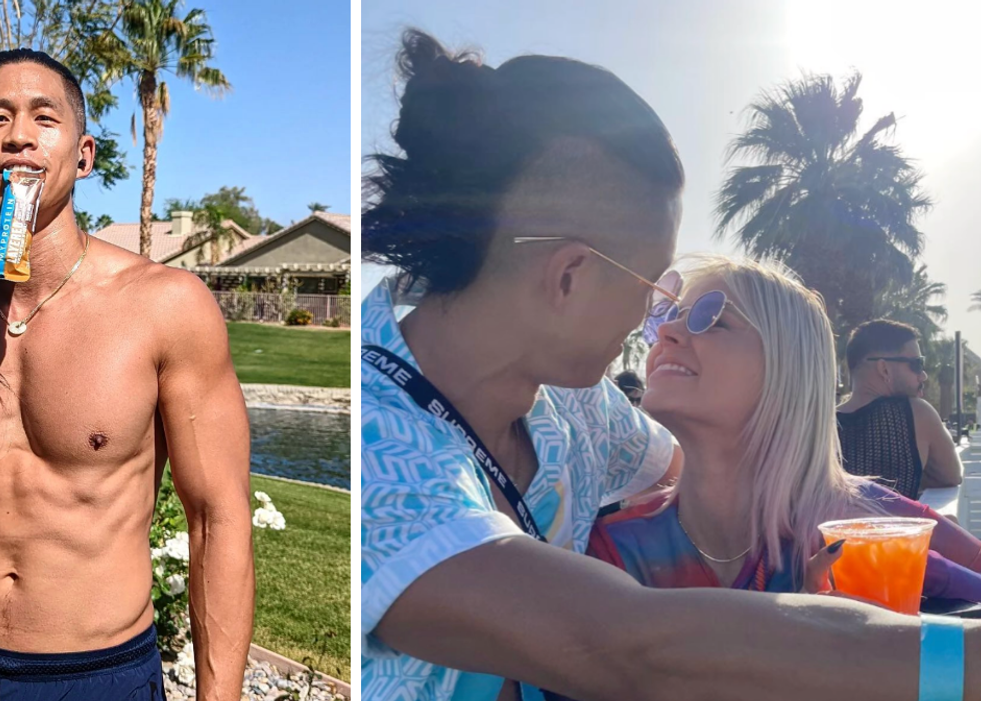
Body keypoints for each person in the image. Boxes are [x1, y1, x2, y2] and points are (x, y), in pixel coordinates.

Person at [360, 29, 981, 701]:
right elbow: (631, 648)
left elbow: (717, 470)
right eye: (656, 289)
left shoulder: (575, 406)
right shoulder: (377, 446)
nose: (658, 324)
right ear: (569, 277)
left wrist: (820, 501)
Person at [0, 49, 254, 701]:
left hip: (96, 676)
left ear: (83, 155)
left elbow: (216, 518)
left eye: (43, 118)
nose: (20, 135)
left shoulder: (164, 306)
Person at [587, 256, 981, 602]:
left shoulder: (862, 528)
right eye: (669, 317)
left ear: (788, 369)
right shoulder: (612, 550)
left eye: (711, 319)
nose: (668, 333)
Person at [837, 320, 963, 498]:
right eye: (916, 364)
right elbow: (950, 476)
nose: (923, 375)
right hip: (895, 525)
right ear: (884, 369)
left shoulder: (820, 423)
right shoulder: (915, 414)